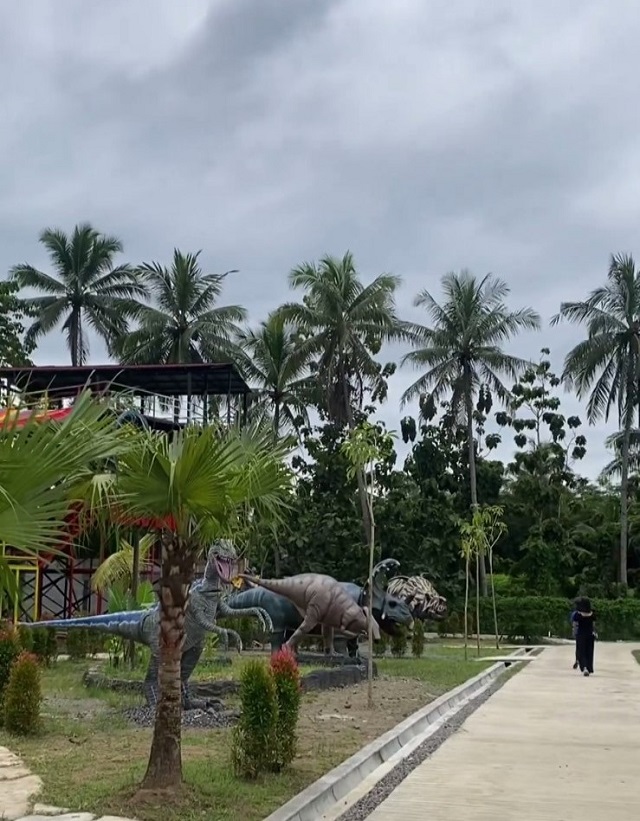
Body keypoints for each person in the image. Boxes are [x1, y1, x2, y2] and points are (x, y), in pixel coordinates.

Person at [572, 597, 596, 676]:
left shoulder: (578, 615)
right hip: (590, 635)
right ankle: (589, 668)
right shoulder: (592, 614)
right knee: (589, 652)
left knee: (582, 652)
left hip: (581, 635)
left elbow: (575, 621)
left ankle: (584, 667)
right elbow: (594, 623)